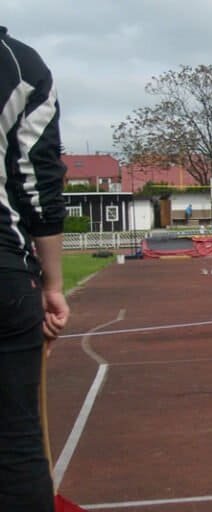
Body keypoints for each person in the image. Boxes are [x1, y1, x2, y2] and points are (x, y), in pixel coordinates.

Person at [1, 26, 70, 511]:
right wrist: (53, 284)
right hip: (4, 268)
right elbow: (37, 181)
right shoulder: (21, 66)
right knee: (17, 443)